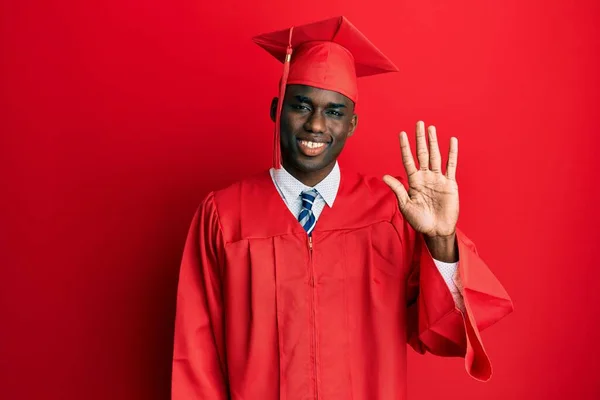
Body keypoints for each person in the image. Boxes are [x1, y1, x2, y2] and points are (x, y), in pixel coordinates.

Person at [171, 16, 513, 400]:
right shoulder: (225, 215)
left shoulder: (389, 213)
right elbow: (196, 359)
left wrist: (440, 240)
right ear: (276, 110)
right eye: (301, 105)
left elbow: (444, 333)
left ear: (351, 124)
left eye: (334, 112)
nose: (316, 124)